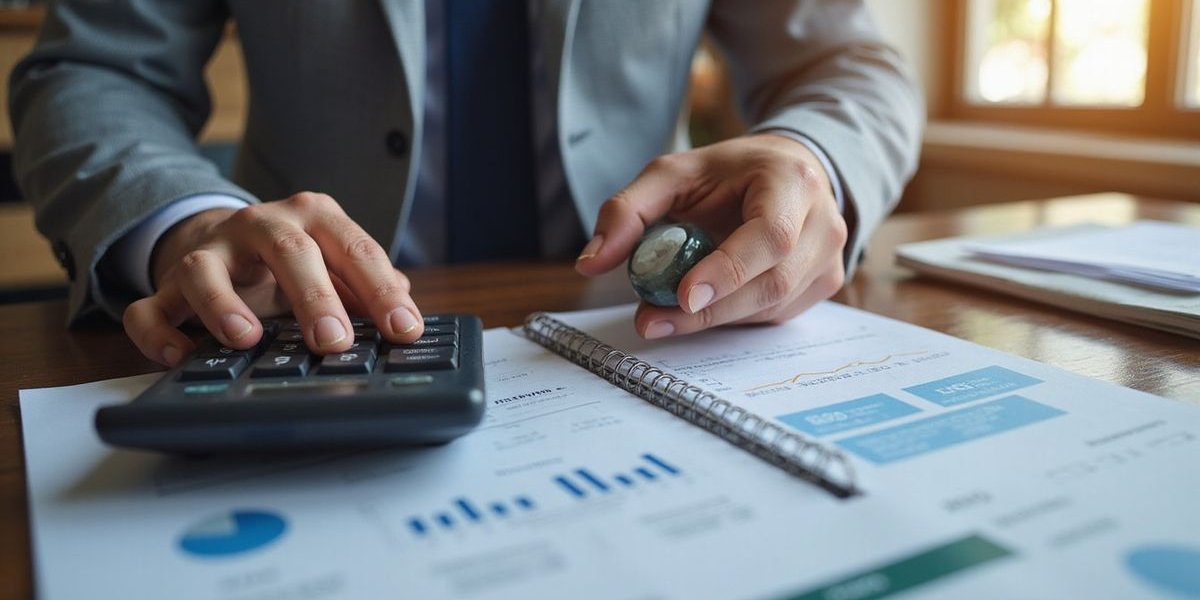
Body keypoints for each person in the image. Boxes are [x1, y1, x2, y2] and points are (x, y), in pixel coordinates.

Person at [9, 1, 923, 366]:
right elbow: (95, 70)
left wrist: (815, 157)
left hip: (649, 337)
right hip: (298, 336)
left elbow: (849, 63)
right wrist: (185, 223)